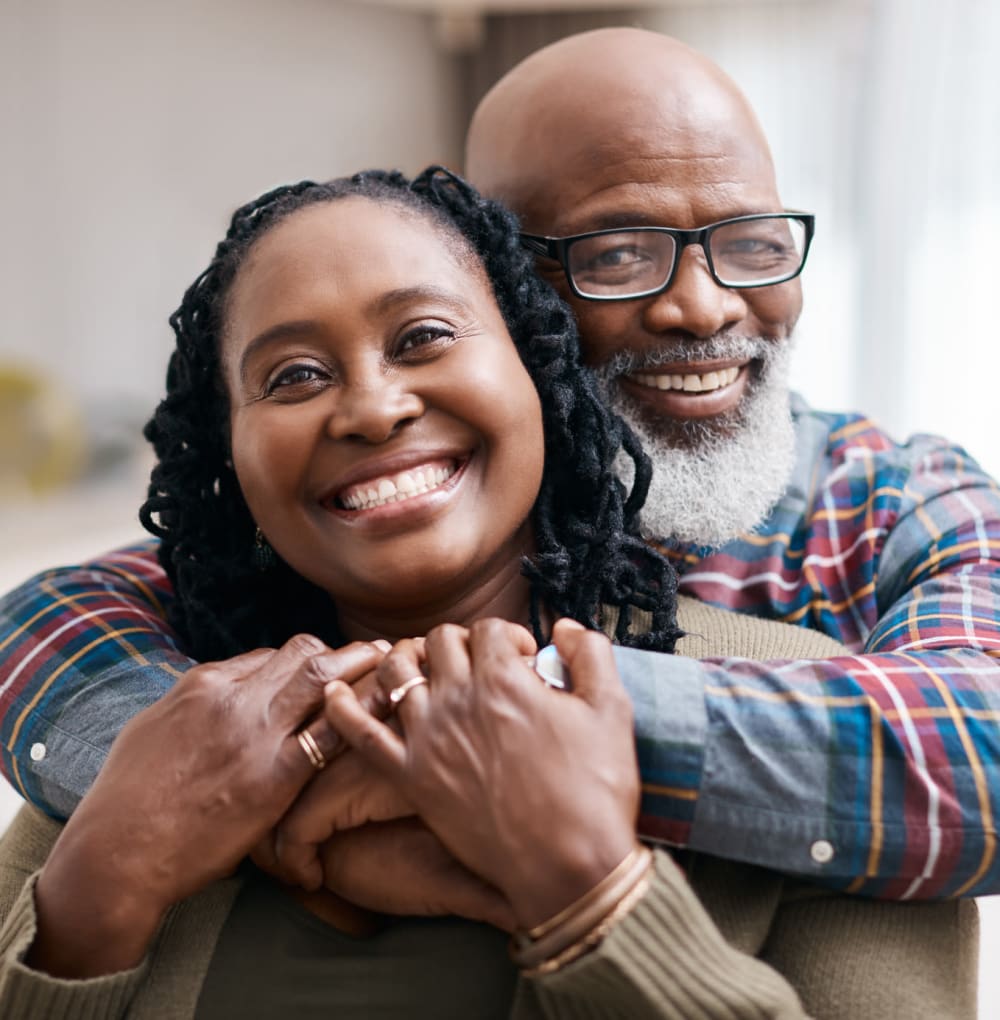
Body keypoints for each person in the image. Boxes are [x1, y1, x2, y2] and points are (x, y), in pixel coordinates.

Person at [1, 27, 999, 900]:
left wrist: (506, 735)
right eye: (616, 253)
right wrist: (223, 802)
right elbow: (48, 628)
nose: (703, 307)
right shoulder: (389, 526)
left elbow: (983, 753)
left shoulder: (884, 498)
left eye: (749, 243)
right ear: (501, 284)